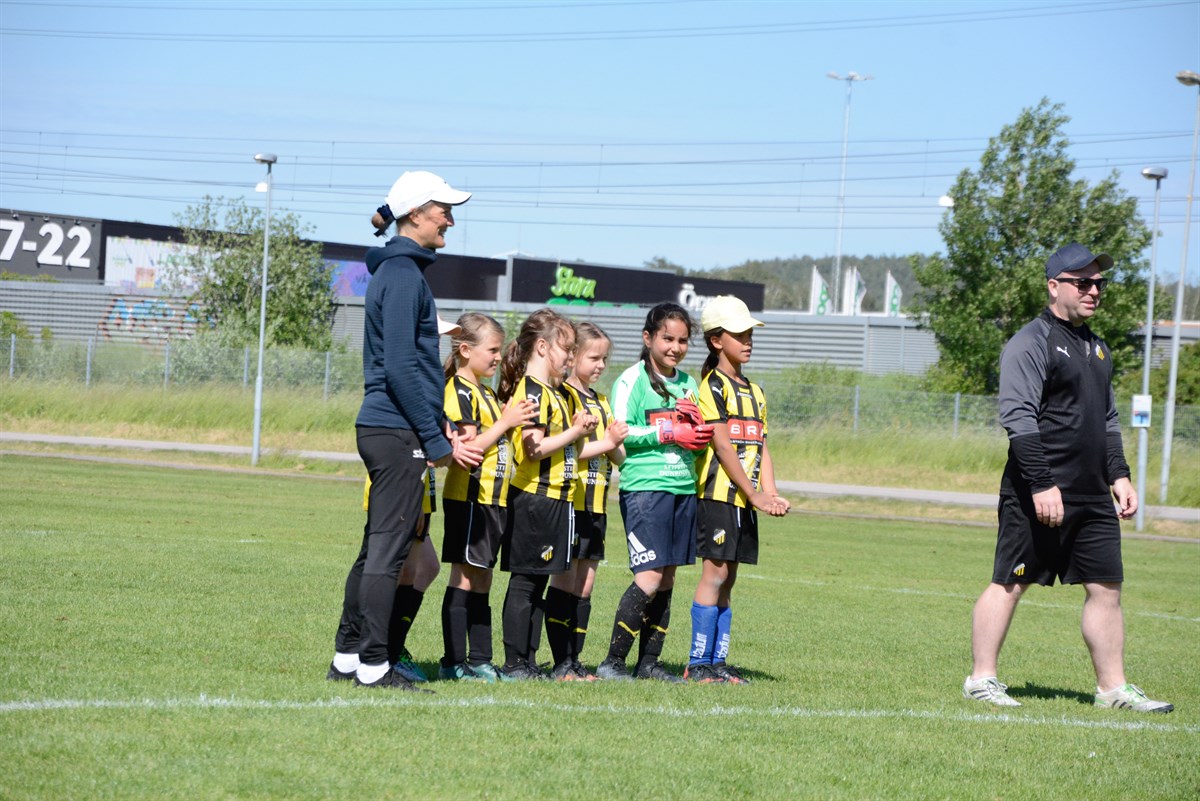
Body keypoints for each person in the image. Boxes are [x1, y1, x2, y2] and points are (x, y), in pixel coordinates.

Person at [963, 243, 1173, 713]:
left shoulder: (1097, 347)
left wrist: (1119, 475)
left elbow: (1108, 419)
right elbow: (1018, 418)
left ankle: (1113, 690)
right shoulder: (1031, 342)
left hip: (1092, 493)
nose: (1094, 290)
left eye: (1099, 283)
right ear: (1054, 286)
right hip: (1037, 491)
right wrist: (1041, 483)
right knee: (1010, 582)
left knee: (1106, 588)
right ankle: (981, 679)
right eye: (1083, 282)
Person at [328, 171, 481, 691]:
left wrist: (439, 427)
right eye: (444, 210)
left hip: (394, 426)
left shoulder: (404, 271)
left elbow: (412, 369)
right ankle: (374, 665)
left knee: (377, 548)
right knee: (388, 551)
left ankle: (347, 658)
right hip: (393, 430)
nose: (450, 220)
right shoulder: (401, 274)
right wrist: (435, 440)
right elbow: (399, 367)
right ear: (415, 213)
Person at [595, 302, 713, 683]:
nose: (675, 347)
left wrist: (698, 437)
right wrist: (667, 431)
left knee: (668, 579)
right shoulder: (631, 380)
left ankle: (648, 664)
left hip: (682, 487)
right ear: (648, 338)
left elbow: (694, 439)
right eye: (667, 339)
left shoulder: (689, 384)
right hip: (645, 489)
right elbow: (620, 432)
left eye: (683, 341)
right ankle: (613, 662)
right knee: (648, 577)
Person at [685, 296, 790, 684]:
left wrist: (770, 492)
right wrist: (755, 494)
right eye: (739, 334)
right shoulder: (712, 386)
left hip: (745, 501)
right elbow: (724, 447)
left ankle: (717, 663)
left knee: (729, 580)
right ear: (716, 340)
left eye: (749, 334)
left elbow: (761, 446)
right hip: (719, 498)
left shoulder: (755, 391)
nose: (748, 341)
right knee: (713, 576)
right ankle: (698, 664)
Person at [496, 309, 597, 680]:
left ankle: (528, 661)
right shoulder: (532, 391)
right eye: (566, 349)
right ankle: (513, 663)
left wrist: (580, 429)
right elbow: (533, 448)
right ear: (542, 347)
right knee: (525, 584)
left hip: (557, 499)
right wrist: (573, 432)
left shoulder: (555, 393)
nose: (570, 357)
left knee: (538, 583)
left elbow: (564, 445)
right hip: (534, 500)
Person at [438, 312, 538, 682]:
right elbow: (468, 449)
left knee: (482, 580)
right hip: (469, 498)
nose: (498, 357)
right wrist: (505, 424)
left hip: (494, 501)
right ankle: (453, 661)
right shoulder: (459, 391)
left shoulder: (487, 393)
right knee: (463, 578)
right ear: (465, 350)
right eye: (492, 350)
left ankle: (480, 659)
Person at [548, 322, 628, 680]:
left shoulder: (601, 400)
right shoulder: (565, 395)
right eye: (593, 358)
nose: (600, 365)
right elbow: (572, 450)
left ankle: (575, 661)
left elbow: (618, 456)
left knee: (586, 585)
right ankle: (561, 662)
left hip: (597, 506)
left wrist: (616, 441)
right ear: (573, 355)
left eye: (604, 359)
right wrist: (607, 442)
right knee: (564, 582)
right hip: (571, 502)